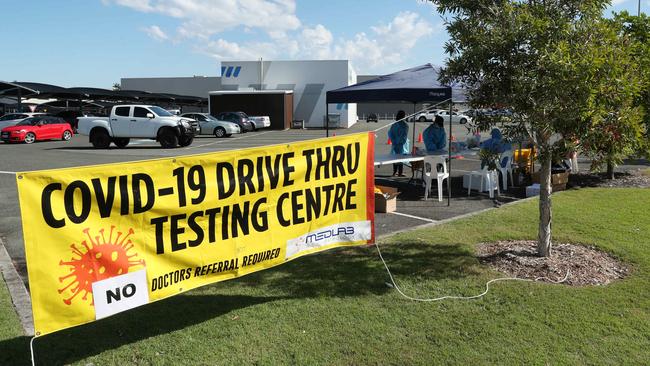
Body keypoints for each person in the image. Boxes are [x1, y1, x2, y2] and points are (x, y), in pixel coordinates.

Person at [387, 110, 410, 176]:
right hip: (401, 144)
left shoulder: (394, 124)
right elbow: (404, 135)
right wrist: (401, 142)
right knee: (400, 157)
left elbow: (390, 133)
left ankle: (394, 172)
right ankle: (400, 172)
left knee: (395, 157)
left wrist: (394, 141)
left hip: (394, 143)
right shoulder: (405, 125)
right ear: (404, 116)